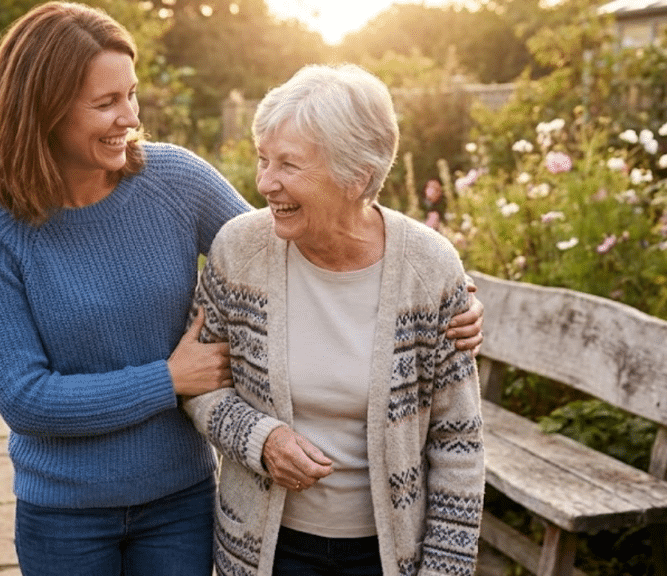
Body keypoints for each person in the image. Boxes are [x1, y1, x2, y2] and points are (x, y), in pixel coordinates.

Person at [0, 3, 484, 575]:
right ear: (43, 112)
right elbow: (24, 399)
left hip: (176, 500)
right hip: (64, 512)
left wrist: (441, 292)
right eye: (105, 103)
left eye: (131, 95)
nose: (129, 117)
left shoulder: (175, 180)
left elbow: (288, 251)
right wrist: (168, 380)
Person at [182, 63, 485, 576]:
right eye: (263, 159)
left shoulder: (429, 268)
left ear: (357, 176)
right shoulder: (239, 250)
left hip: (387, 557)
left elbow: (457, 440)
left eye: (288, 166)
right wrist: (262, 440)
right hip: (265, 550)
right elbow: (198, 385)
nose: (265, 182)